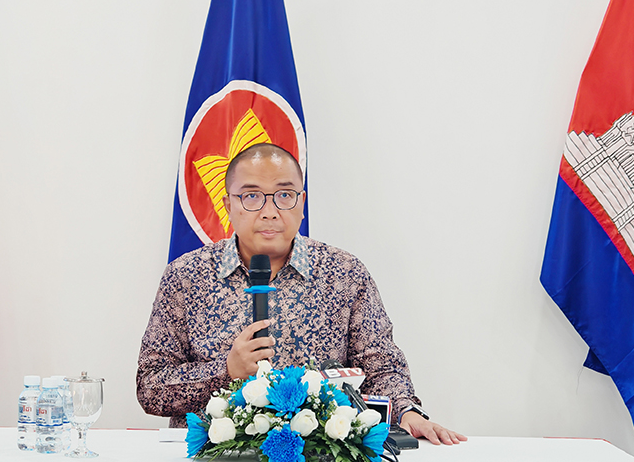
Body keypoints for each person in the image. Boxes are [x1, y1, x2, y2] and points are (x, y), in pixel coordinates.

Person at [137, 143, 465, 445]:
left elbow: (381, 367)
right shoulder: (186, 276)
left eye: (284, 195)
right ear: (228, 206)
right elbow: (150, 388)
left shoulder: (345, 273)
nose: (269, 211)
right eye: (251, 197)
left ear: (302, 203)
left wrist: (406, 411)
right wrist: (226, 370)